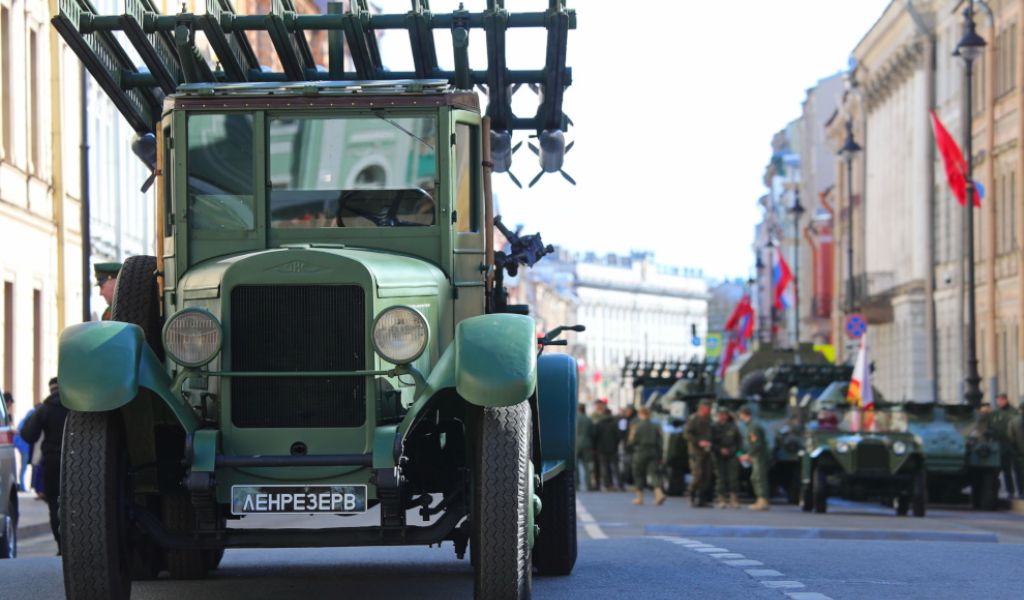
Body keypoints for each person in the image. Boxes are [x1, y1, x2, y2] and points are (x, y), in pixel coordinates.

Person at [20, 378, 69, 552]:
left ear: (50, 390)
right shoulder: (76, 407)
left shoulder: (44, 409)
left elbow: (28, 435)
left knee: (54, 504)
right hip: (74, 460)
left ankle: (61, 545)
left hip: (52, 462)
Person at [627, 407, 665, 505]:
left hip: (640, 452)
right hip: (653, 452)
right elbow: (660, 442)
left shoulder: (636, 426)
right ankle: (659, 493)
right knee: (654, 473)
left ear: (640, 414)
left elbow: (631, 442)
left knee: (639, 474)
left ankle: (639, 498)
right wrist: (660, 455)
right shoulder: (656, 426)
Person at [738, 406, 771, 511]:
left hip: (759, 456)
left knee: (759, 477)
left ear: (744, 414)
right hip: (757, 456)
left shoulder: (753, 427)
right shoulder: (751, 426)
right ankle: (760, 499)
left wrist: (749, 454)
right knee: (755, 477)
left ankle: (763, 500)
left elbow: (757, 444)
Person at [683, 399, 714, 507]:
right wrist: (698, 441)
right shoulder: (694, 419)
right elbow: (687, 434)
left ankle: (702, 499)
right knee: (698, 475)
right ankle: (691, 494)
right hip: (696, 451)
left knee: (707, 476)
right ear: (702, 408)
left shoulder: (709, 419)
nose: (709, 410)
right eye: (708, 408)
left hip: (707, 451)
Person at [711, 407, 741, 509]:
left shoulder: (733, 427)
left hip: (732, 455)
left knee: (733, 477)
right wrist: (719, 450)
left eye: (724, 414)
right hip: (718, 455)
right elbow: (711, 442)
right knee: (720, 477)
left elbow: (739, 442)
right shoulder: (714, 427)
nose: (722, 416)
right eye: (721, 414)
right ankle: (721, 499)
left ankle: (734, 499)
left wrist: (735, 452)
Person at [992, 393, 1020, 498]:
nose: (998, 402)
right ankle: (1010, 491)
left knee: (1017, 471)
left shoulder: (1014, 412)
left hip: (1013, 446)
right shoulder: (995, 413)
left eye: (1000, 400)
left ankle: (1020, 491)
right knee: (1005, 471)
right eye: (998, 400)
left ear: (1005, 400)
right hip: (1000, 447)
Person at [592, 402, 621, 491]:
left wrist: (595, 447)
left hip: (601, 448)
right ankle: (619, 484)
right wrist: (616, 444)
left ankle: (607, 484)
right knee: (615, 467)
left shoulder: (599, 423)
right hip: (613, 448)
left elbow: (595, 436)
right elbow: (618, 436)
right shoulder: (615, 423)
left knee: (604, 467)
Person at [575, 403, 596, 491]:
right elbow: (593, 433)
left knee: (575, 466)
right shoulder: (588, 419)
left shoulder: (574, 419)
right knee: (587, 465)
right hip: (587, 444)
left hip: (576, 444)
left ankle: (576, 485)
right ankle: (589, 485)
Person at [618, 406, 637, 489]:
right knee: (628, 463)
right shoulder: (625, 420)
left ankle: (632, 481)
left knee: (630, 464)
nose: (627, 412)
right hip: (628, 445)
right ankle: (630, 481)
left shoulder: (631, 420)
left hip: (632, 445)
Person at [1008, 409, 1024, 499]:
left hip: (1017, 453)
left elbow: (1010, 437)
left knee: (1019, 474)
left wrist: (1014, 449)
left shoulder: (1013, 421)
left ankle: (1021, 491)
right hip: (1018, 452)